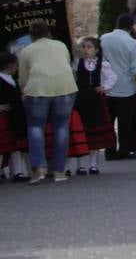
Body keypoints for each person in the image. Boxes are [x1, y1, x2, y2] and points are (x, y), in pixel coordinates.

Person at [18, 20, 80, 184]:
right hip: (65, 86)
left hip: (38, 88)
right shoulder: (60, 45)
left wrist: (24, 90)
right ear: (48, 33)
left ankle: (39, 168)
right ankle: (58, 170)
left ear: (31, 35)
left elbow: (23, 77)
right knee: (61, 126)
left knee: (35, 126)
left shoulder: (27, 50)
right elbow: (67, 63)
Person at [99, 14, 136, 160]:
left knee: (109, 122)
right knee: (125, 123)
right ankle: (124, 150)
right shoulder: (131, 43)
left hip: (106, 87)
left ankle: (109, 150)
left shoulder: (103, 39)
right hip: (125, 88)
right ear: (131, 27)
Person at [72, 36, 116, 174]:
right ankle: (80, 165)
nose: (86, 50)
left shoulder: (102, 63)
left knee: (94, 132)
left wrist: (104, 87)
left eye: (89, 47)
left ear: (96, 50)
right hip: (80, 100)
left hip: (96, 100)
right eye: (84, 47)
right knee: (81, 132)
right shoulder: (77, 63)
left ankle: (93, 164)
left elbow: (113, 77)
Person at [0, 53, 29, 182]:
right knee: (3, 146)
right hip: (4, 117)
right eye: (16, 65)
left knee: (16, 146)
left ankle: (17, 172)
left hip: (16, 116)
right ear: (11, 64)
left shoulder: (13, 80)